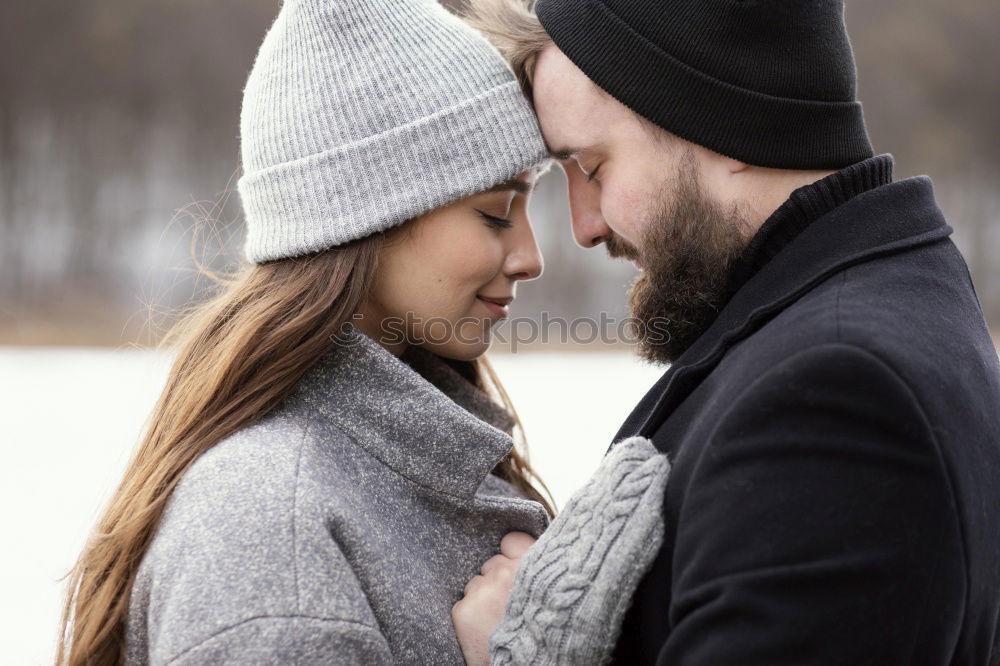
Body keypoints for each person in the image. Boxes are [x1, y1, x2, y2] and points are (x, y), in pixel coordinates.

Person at [453, 0, 1000, 664]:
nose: (584, 227)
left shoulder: (838, 400)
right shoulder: (876, 311)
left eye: (593, 168)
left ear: (718, 121)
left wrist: (520, 652)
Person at [55, 0, 557, 664]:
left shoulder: (399, 464)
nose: (531, 256)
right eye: (496, 211)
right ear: (364, 219)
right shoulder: (269, 535)